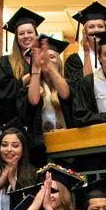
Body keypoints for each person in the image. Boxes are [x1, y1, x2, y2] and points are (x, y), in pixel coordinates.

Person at [18, 36, 73, 165]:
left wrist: (50, 67)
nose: (47, 61)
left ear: (59, 62)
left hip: (67, 148)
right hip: (41, 150)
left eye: (52, 57)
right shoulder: (32, 89)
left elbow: (65, 95)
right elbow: (33, 101)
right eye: (43, 58)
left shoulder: (70, 85)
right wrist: (35, 69)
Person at [0, 8, 43, 132]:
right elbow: (2, 96)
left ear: (36, 35)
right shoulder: (6, 62)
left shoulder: (47, 59)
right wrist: (28, 77)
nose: (26, 36)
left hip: (44, 124)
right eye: (21, 33)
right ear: (16, 38)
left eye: (30, 32)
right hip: (18, 127)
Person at [0, 122, 38, 210]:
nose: (9, 149)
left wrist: (12, 180)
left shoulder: (33, 174)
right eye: (4, 145)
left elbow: (29, 206)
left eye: (15, 146)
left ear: (23, 150)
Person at [65, 1, 106, 84]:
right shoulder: (74, 61)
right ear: (85, 32)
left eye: (100, 26)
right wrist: (86, 53)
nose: (96, 30)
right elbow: (79, 89)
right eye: (91, 27)